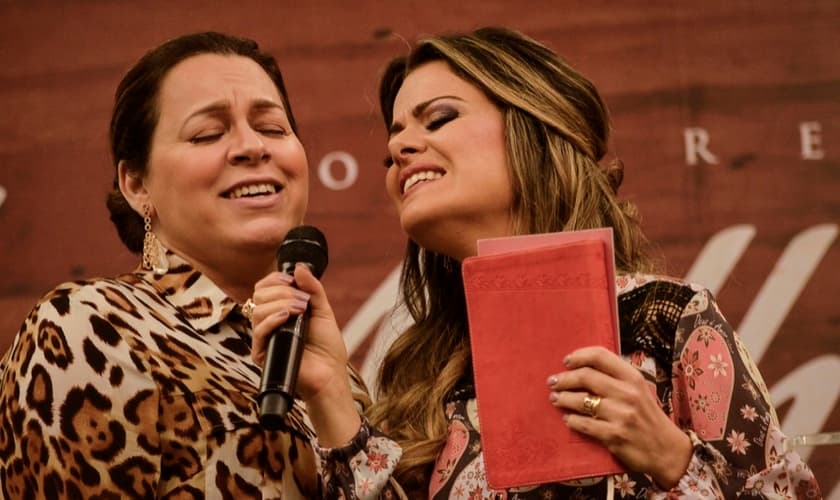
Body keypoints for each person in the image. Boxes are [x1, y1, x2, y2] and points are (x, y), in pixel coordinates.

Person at [367, 27, 822, 498]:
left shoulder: (666, 321)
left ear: (533, 126)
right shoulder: (418, 376)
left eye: (438, 118)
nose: (399, 150)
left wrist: (672, 461)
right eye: (391, 143)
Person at [0, 32, 400, 499]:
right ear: (136, 184)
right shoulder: (92, 326)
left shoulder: (326, 365)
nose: (252, 147)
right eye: (208, 133)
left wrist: (331, 391)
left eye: (273, 128)